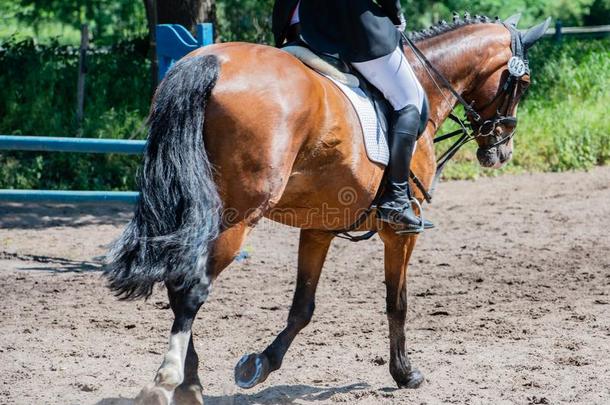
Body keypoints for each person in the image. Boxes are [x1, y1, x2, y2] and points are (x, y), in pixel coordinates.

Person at [272, 0, 434, 233]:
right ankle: (397, 199)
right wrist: (395, 15)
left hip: (298, 27)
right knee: (410, 100)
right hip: (351, 26)